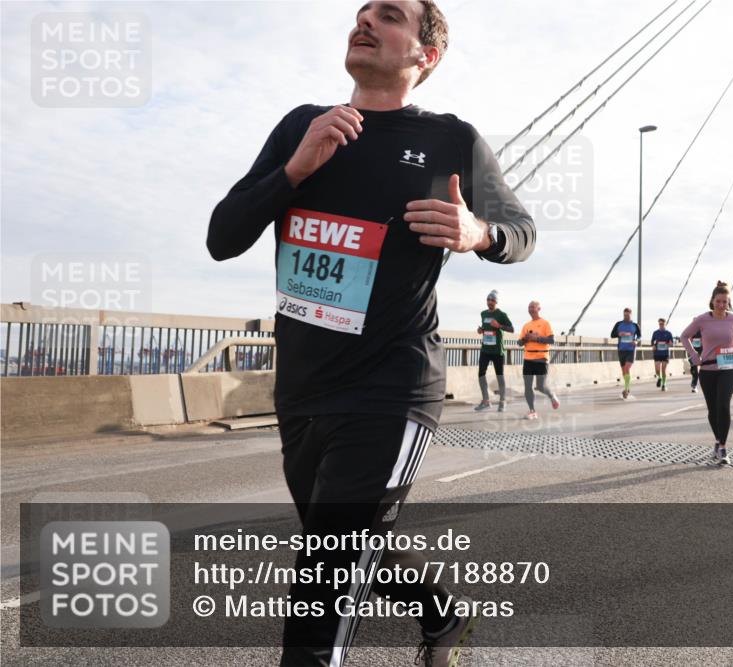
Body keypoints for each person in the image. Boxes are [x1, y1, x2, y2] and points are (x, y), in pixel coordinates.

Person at [206, 2, 536, 665]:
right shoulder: (304, 127)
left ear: (425, 55)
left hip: (392, 387)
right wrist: (294, 170)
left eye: (388, 16)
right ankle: (443, 617)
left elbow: (520, 231)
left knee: (324, 573)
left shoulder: (452, 139)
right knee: (349, 542)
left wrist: (479, 232)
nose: (365, 21)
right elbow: (222, 236)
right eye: (361, 12)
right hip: (302, 390)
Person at [680, 282, 733, 465]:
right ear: (712, 301)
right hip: (707, 370)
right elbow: (684, 336)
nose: (721, 305)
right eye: (718, 301)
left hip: (728, 369)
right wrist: (694, 355)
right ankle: (718, 439)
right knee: (713, 409)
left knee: (723, 405)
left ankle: (723, 447)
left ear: (728, 302)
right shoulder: (702, 319)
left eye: (725, 302)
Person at [519, 301, 559, 419]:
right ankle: (532, 411)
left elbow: (552, 340)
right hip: (528, 358)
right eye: (529, 307)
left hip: (541, 357)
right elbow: (519, 343)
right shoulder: (526, 325)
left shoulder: (545, 323)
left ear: (539, 309)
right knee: (527, 386)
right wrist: (526, 339)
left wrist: (536, 338)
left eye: (533, 307)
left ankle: (551, 395)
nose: (530, 309)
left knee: (540, 386)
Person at [475, 290, 513, 412]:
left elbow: (512, 329)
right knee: (481, 373)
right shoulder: (483, 314)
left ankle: (502, 401)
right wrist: (481, 330)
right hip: (485, 349)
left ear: (496, 302)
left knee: (499, 376)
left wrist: (499, 326)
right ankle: (486, 401)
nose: (490, 301)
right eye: (488, 299)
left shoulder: (501, 314)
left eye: (492, 300)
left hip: (497, 351)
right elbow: (485, 328)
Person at [610, 308, 641, 399]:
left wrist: (636, 341)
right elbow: (612, 335)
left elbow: (639, 336)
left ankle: (626, 389)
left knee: (627, 368)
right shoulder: (619, 324)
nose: (626, 317)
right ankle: (627, 386)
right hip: (621, 350)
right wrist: (619, 334)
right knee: (624, 371)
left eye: (628, 315)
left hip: (631, 350)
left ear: (631, 315)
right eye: (625, 315)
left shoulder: (635, 325)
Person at [650, 318, 674, 392]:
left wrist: (670, 344)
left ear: (665, 324)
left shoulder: (669, 333)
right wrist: (653, 345)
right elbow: (652, 341)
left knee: (663, 370)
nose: (661, 325)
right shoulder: (655, 333)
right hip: (657, 353)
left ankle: (664, 384)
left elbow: (672, 343)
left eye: (662, 324)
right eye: (660, 324)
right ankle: (659, 378)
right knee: (657, 370)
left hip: (665, 354)